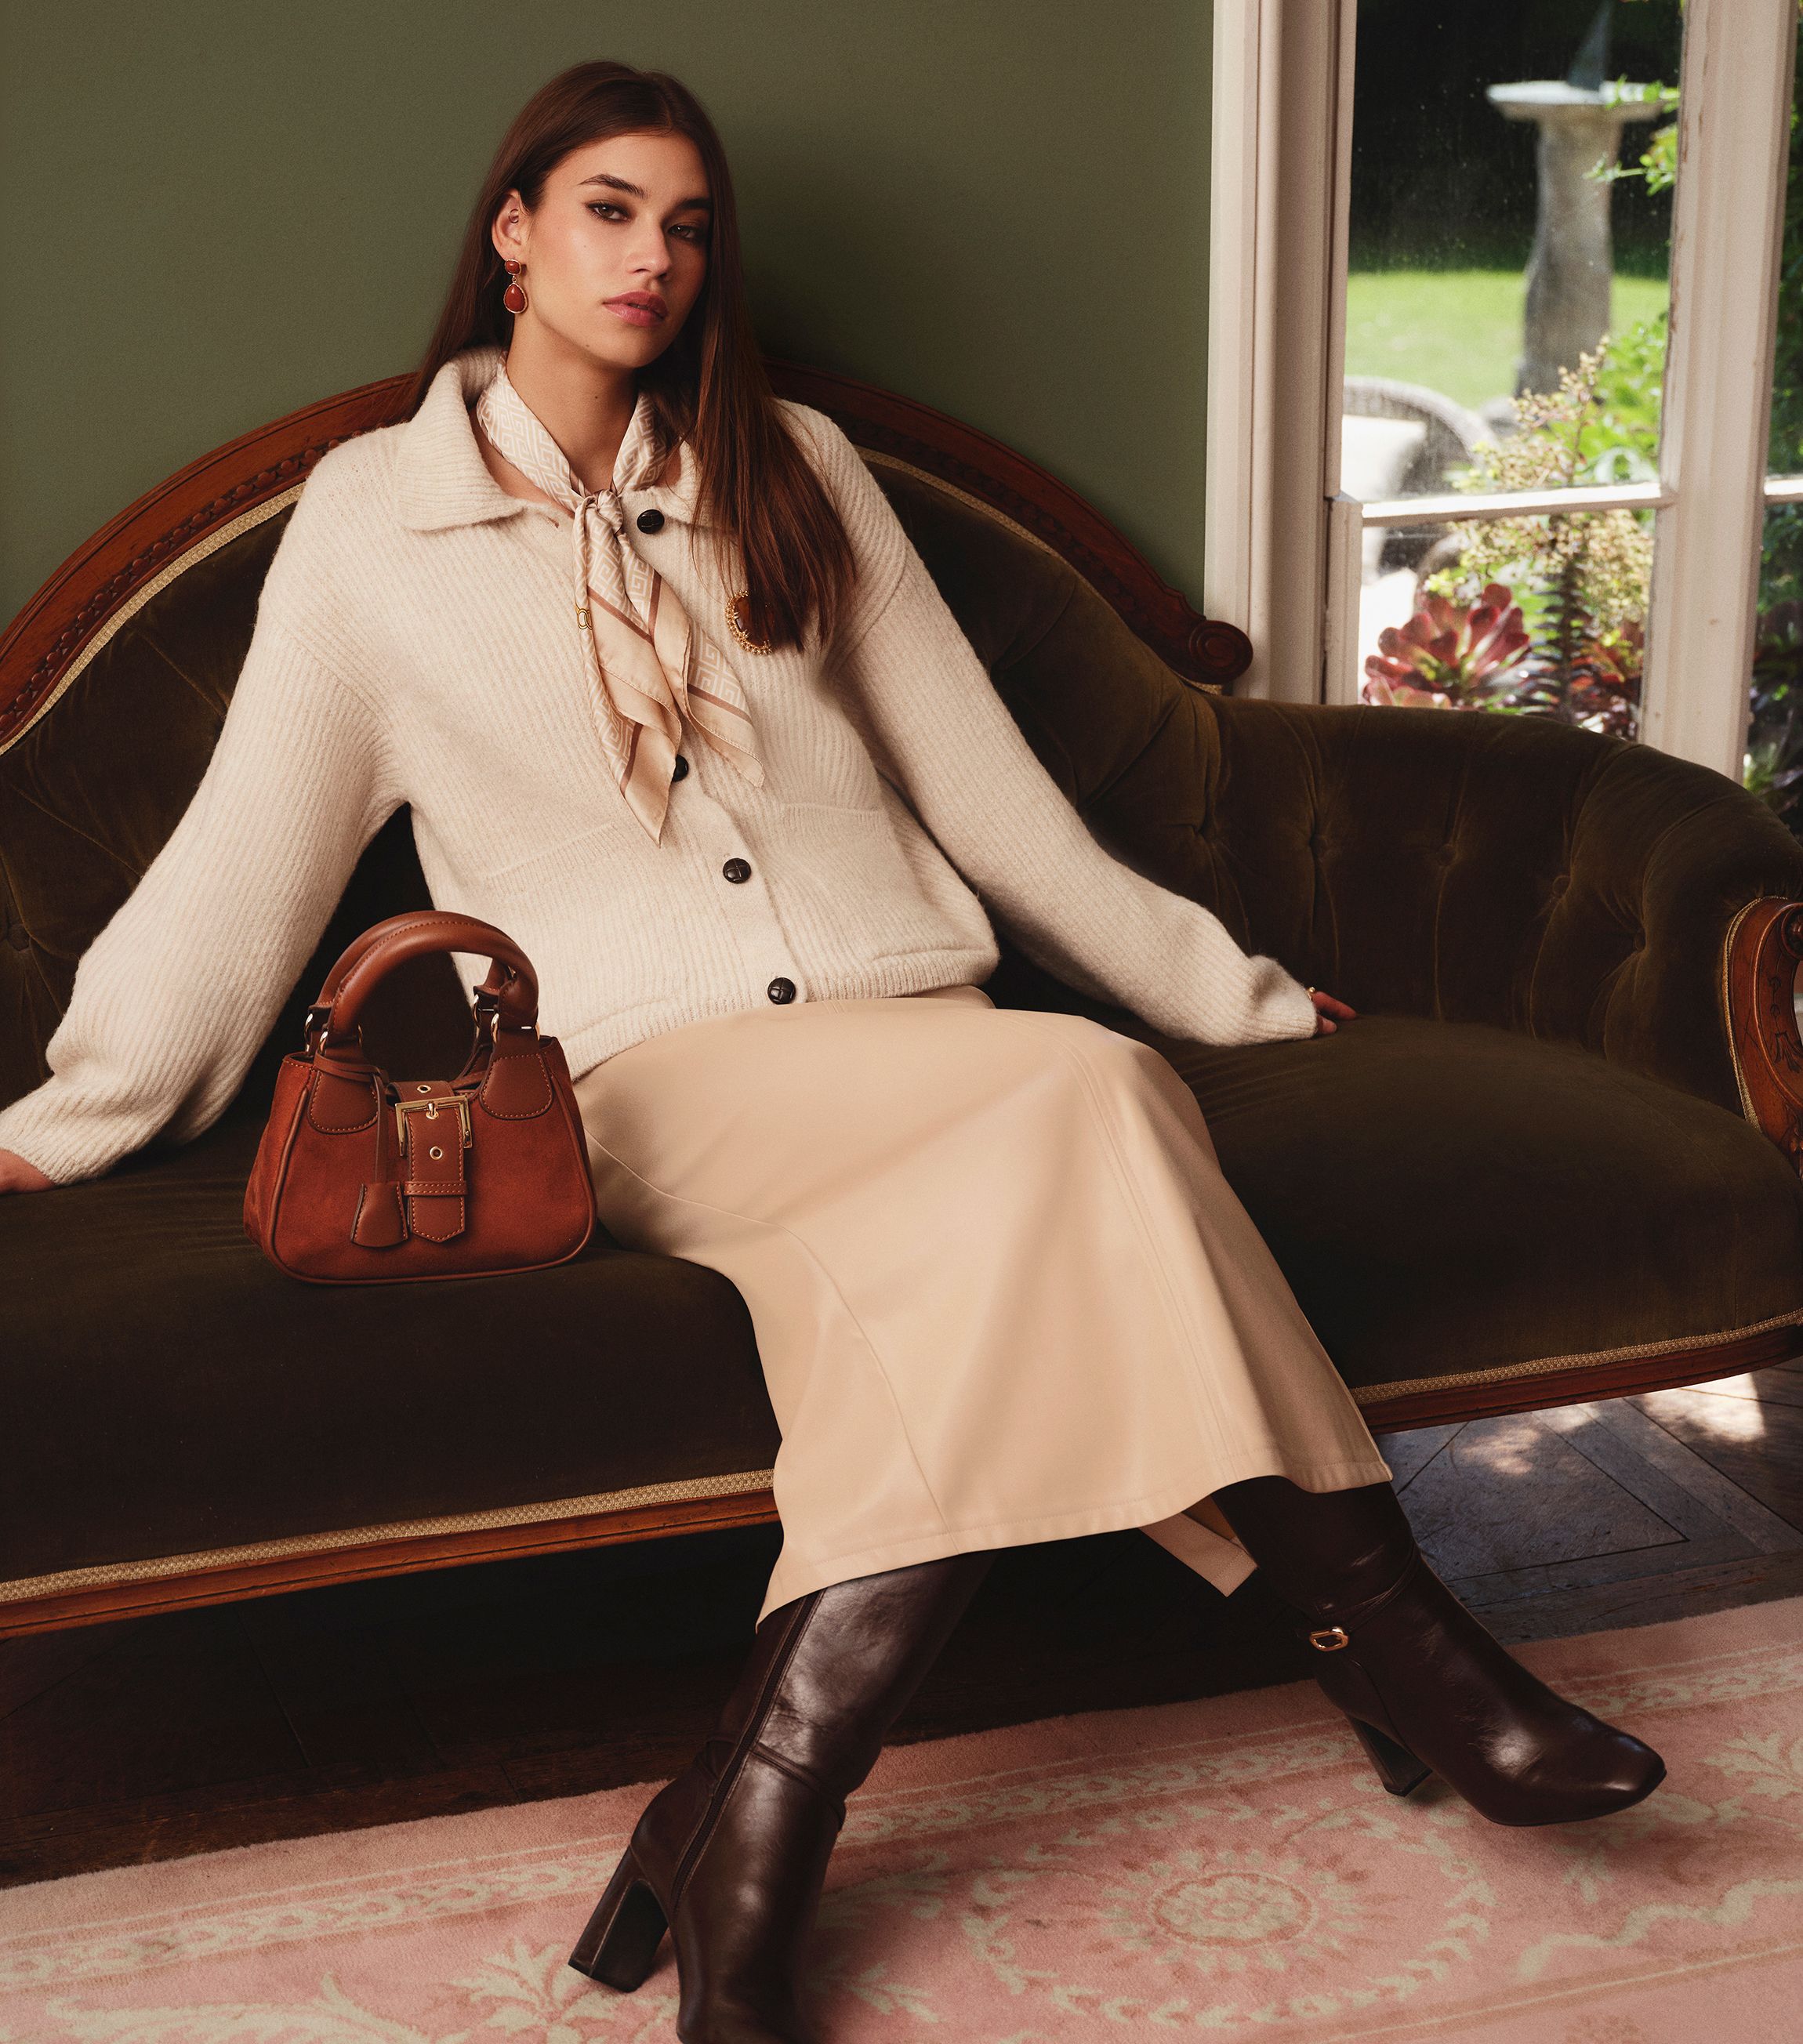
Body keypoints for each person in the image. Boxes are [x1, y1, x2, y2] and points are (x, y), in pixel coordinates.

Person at [0, 56, 1663, 2044]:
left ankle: (740, 1823)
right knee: (1084, 1091)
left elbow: (999, 799)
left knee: (1052, 1126)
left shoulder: (789, 465)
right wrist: (62, 1123)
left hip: (911, 1033)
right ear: (514, 233)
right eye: (608, 210)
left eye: (687, 225)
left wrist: (1221, 983)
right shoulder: (373, 527)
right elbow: (234, 872)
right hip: (654, 1078)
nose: (653, 258)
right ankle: (1408, 1646)